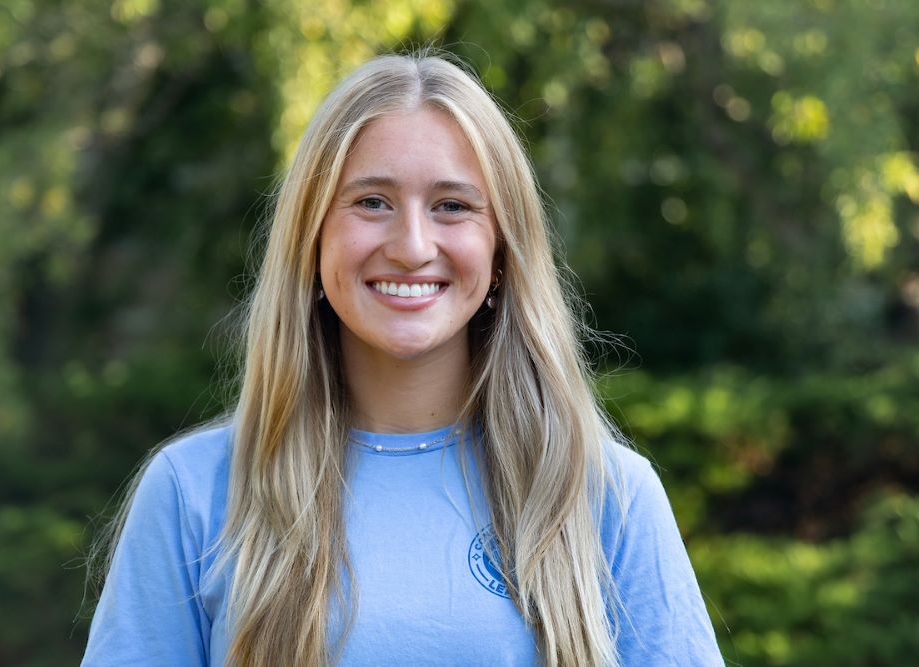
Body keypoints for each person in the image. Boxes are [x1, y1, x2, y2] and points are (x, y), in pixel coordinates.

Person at [81, 52, 723, 666]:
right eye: (371, 202)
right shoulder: (194, 492)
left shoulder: (605, 495)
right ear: (312, 238)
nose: (412, 247)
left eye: (452, 206)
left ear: (502, 249)